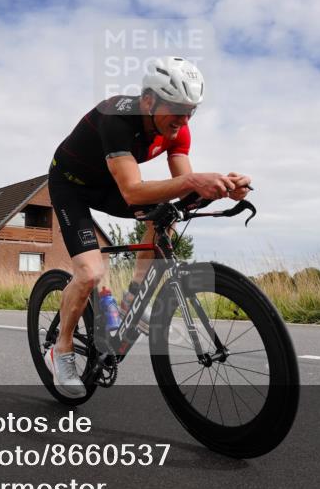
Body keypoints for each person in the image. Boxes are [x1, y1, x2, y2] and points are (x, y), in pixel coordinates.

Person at [45, 57, 252, 397]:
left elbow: (184, 191)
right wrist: (196, 181)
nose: (184, 120)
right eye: (177, 109)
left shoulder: (178, 129)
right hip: (71, 185)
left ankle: (130, 304)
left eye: (191, 111)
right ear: (148, 101)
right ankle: (62, 350)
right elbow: (133, 191)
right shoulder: (116, 119)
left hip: (109, 184)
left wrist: (225, 190)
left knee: (166, 216)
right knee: (91, 273)